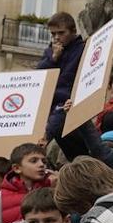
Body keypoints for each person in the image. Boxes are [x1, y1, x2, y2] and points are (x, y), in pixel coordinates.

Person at [37, 11, 86, 142]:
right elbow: (38, 76)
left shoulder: (82, 49)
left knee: (55, 122)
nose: (56, 37)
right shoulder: (49, 51)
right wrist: (53, 59)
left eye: (61, 33)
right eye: (53, 34)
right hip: (46, 102)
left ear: (73, 31)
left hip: (66, 102)